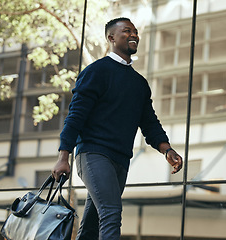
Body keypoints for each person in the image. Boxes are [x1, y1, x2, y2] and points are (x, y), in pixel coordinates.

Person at [52, 17, 183, 240]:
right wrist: (63, 156)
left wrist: (166, 149)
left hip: (120, 160)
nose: (133, 34)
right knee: (111, 212)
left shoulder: (139, 83)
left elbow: (149, 122)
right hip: (94, 154)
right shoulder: (97, 71)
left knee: (93, 223)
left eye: (135, 31)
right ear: (111, 38)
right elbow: (75, 116)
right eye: (126, 31)